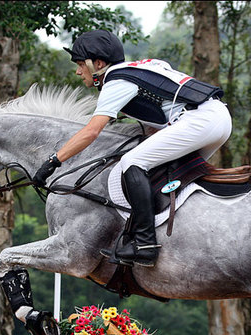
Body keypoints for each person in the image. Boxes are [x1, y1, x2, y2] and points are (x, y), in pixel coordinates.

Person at [32, 29, 232, 267]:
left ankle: (145, 243)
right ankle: (178, 238)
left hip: (199, 121)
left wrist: (53, 161)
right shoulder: (138, 68)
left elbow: (91, 131)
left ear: (98, 63)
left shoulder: (116, 81)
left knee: (132, 162)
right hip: (216, 118)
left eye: (80, 65)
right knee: (166, 174)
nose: (78, 72)